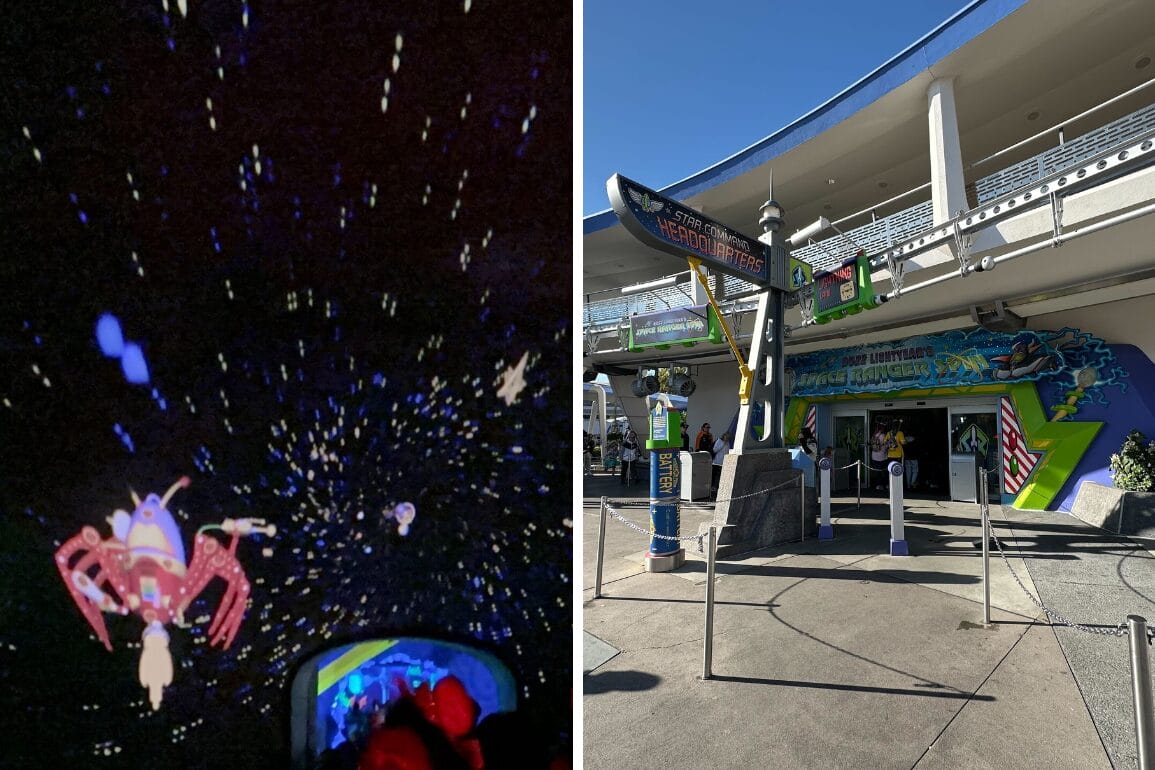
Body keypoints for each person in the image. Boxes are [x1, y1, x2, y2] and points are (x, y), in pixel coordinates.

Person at [711, 431, 732, 497]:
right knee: (715, 475)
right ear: (724, 436)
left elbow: (727, 451)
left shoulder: (728, 443)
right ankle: (713, 486)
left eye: (728, 437)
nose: (727, 438)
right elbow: (714, 450)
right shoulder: (719, 441)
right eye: (726, 436)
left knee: (721, 475)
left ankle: (719, 487)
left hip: (724, 462)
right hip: (717, 462)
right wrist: (723, 444)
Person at [870, 420, 889, 489]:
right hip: (883, 456)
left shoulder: (874, 435)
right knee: (885, 471)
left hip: (874, 456)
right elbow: (887, 446)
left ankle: (878, 485)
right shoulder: (884, 436)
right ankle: (886, 485)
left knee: (877, 472)